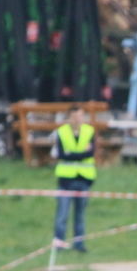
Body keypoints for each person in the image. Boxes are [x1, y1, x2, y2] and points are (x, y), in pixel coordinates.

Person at [52, 105, 95, 253]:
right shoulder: (62, 132)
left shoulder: (89, 131)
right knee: (62, 215)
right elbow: (62, 155)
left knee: (80, 215)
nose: (78, 119)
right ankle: (59, 244)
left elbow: (91, 153)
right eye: (75, 116)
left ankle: (79, 244)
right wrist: (82, 153)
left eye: (81, 116)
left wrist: (74, 154)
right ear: (69, 117)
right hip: (66, 179)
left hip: (84, 179)